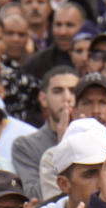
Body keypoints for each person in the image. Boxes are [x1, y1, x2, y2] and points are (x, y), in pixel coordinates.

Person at [12, 66, 79, 199]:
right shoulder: (25, 145)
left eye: (73, 91)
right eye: (58, 91)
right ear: (43, 99)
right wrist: (61, 150)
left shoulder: (96, 137)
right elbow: (32, 196)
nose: (67, 98)